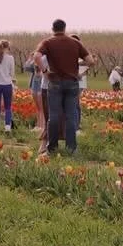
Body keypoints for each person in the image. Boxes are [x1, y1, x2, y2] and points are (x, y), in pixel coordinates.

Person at [36, 19, 91, 156]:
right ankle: (71, 149)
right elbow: (91, 61)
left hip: (55, 82)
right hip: (72, 83)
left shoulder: (47, 42)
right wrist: (80, 74)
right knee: (71, 116)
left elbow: (36, 56)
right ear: (65, 28)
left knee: (54, 116)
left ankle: (52, 149)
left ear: (52, 29)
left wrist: (45, 71)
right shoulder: (75, 43)